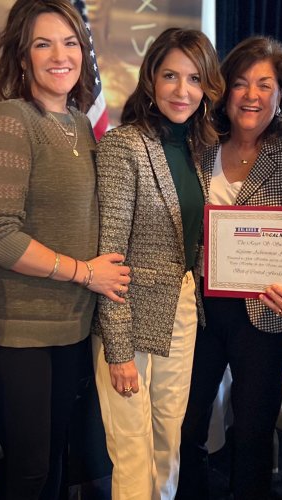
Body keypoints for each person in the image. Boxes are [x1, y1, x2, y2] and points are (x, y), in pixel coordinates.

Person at [0, 1, 130, 498]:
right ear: (22, 57)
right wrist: (84, 273)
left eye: (70, 42)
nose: (60, 55)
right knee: (30, 470)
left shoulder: (81, 123)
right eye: (43, 44)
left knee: (59, 460)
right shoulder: (11, 121)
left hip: (72, 327)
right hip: (19, 334)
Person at [177, 36, 282, 500]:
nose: (252, 95)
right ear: (225, 91)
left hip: (264, 314)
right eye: (240, 83)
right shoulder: (200, 143)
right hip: (199, 308)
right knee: (186, 419)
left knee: (253, 430)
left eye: (265, 84)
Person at [93, 27, 224, 500]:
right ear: (151, 79)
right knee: (131, 448)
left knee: (169, 441)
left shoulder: (202, 148)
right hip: (130, 314)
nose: (182, 90)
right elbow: (108, 254)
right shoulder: (123, 146)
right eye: (170, 75)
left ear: (208, 86)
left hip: (183, 310)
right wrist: (119, 347)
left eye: (194, 78)